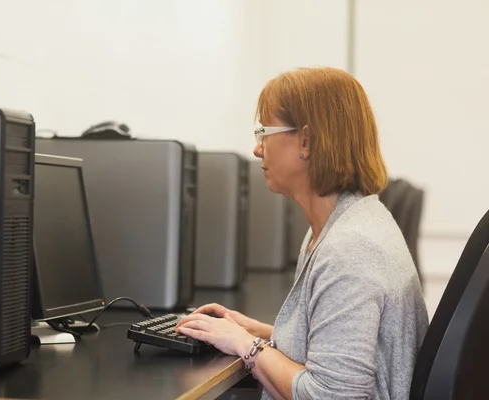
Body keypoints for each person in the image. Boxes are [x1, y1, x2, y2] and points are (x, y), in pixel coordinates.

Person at [176, 67, 429, 399]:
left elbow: (332, 395)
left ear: (306, 142)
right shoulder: (339, 226)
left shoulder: (349, 249)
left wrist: (244, 345)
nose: (258, 149)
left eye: (264, 132)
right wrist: (257, 331)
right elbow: (331, 345)